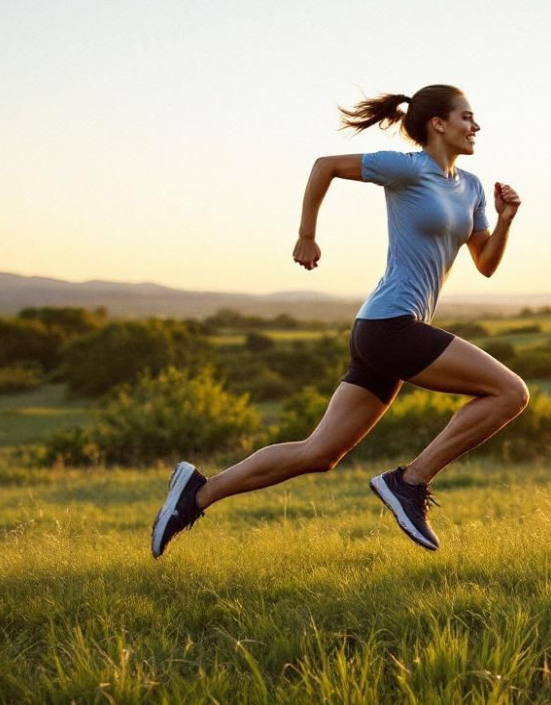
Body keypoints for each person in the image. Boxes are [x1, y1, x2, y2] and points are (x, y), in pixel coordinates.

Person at [152, 84, 527, 557]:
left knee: (320, 453)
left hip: (383, 330)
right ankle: (409, 482)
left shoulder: (471, 186)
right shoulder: (407, 169)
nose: (476, 127)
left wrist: (506, 219)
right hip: (390, 325)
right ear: (438, 124)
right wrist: (307, 235)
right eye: (467, 117)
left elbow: (485, 263)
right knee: (510, 392)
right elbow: (325, 166)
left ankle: (197, 494)